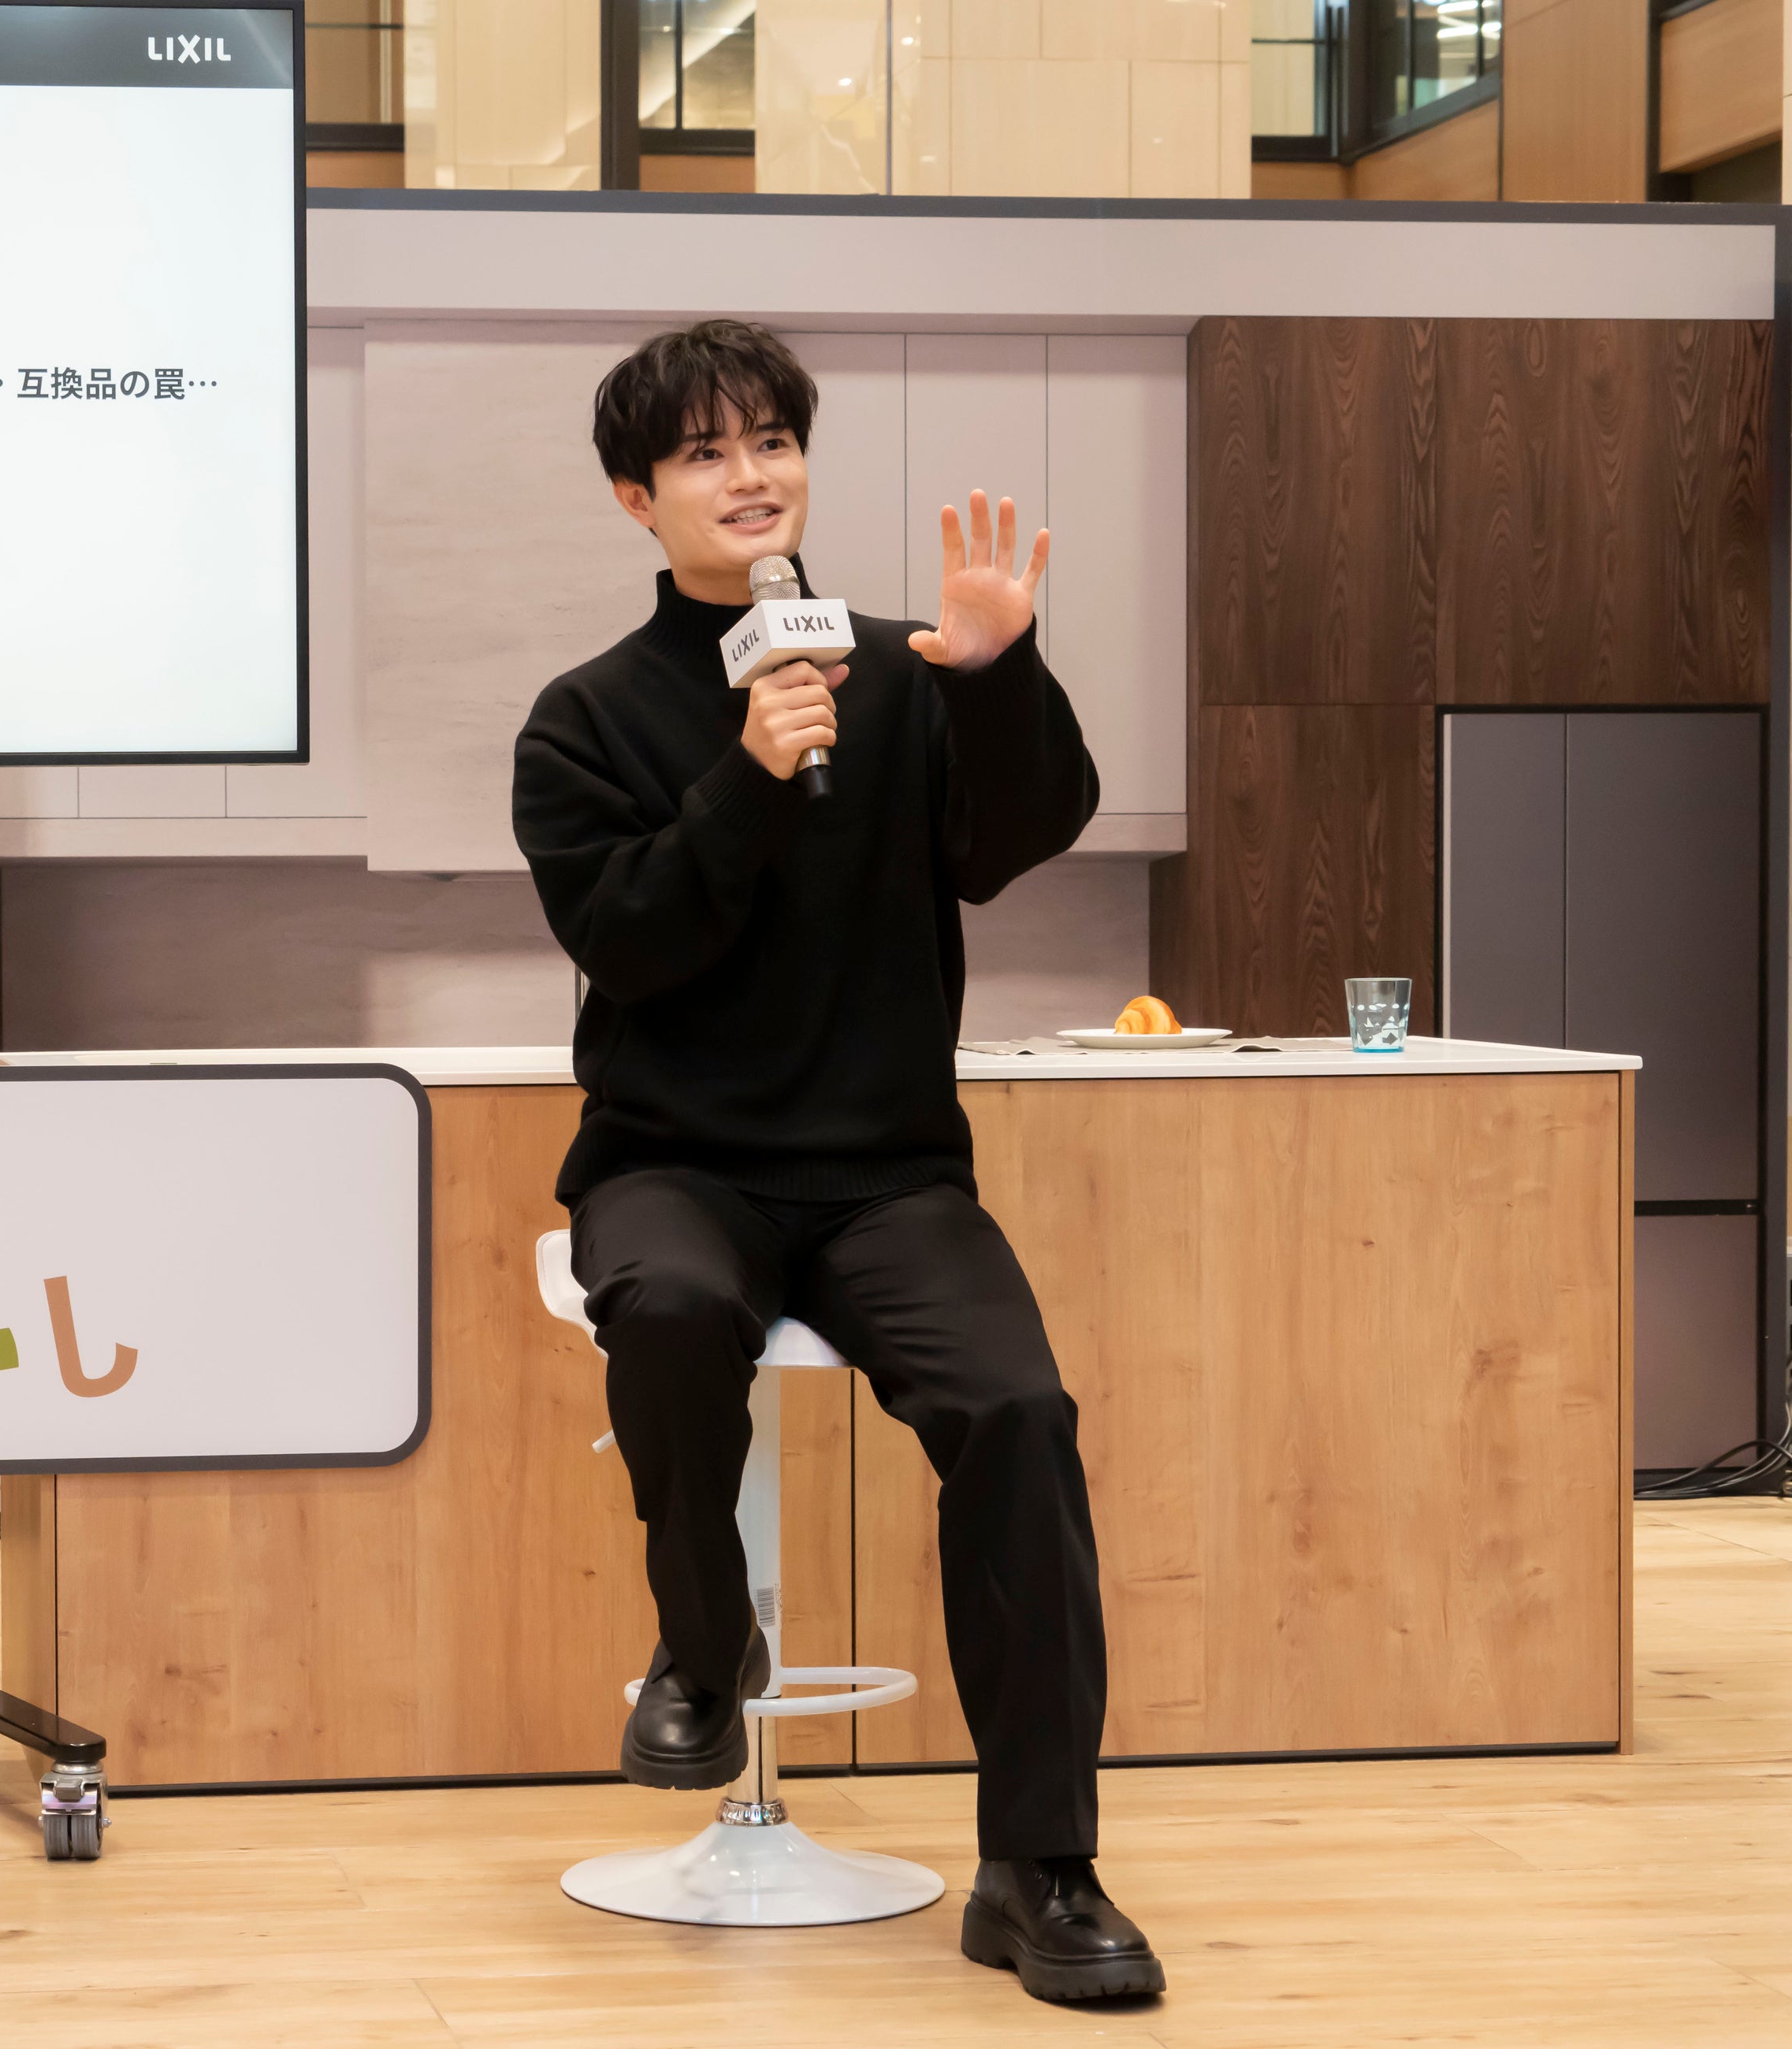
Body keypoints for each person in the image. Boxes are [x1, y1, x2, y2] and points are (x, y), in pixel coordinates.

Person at [511, 321, 1162, 2005]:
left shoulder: (904, 669)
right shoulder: (586, 719)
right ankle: (703, 1637)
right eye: (707, 453)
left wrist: (998, 672)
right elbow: (630, 940)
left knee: (1019, 1412)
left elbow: (1013, 840)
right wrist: (747, 773)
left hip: (887, 1175)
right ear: (637, 497)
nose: (752, 476)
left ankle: (1040, 1867)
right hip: (675, 1162)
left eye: (774, 441)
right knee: (668, 1310)